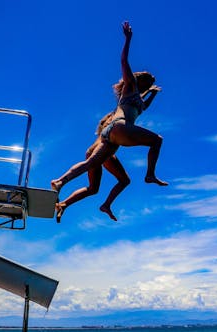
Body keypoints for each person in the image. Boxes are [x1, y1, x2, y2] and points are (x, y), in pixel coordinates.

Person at [51, 21, 168, 222]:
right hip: (119, 128)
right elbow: (124, 62)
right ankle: (149, 175)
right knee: (157, 140)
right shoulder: (130, 86)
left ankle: (61, 181)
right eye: (151, 80)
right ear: (142, 81)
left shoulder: (138, 100)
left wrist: (152, 94)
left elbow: (144, 106)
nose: (154, 81)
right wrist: (128, 39)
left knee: (91, 165)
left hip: (111, 138)